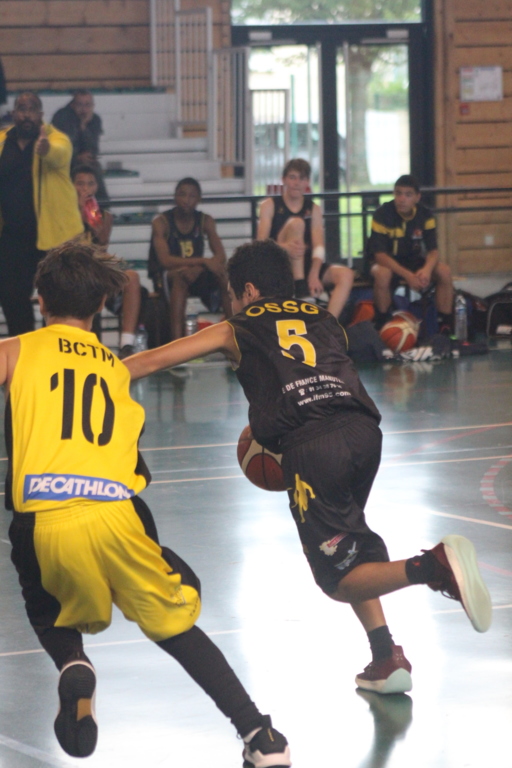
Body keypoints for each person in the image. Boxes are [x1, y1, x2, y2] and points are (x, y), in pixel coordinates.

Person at [125, 239, 492, 695]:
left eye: (233, 296)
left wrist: (94, 371)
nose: (232, 305)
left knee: (338, 579)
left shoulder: (236, 327)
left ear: (249, 291)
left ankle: (431, 566)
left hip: (313, 445)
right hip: (365, 432)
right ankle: (385, 656)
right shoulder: (323, 318)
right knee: (348, 546)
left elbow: (152, 360)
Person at [0, 241, 291, 768]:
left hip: (42, 517)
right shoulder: (115, 369)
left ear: (40, 300)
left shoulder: (15, 350)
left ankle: (73, 664)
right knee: (177, 625)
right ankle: (261, 735)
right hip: (116, 512)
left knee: (44, 604)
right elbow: (133, 464)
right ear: (101, 306)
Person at [0, 92, 83, 336]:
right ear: (14, 113)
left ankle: (59, 345)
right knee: (11, 295)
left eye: (32, 109)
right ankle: (25, 344)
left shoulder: (56, 139)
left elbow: (60, 153)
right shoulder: (3, 141)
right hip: (12, 235)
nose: (26, 114)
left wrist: (45, 149)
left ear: (41, 114)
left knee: (60, 299)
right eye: (22, 109)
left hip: (52, 237)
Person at [257, 158, 354, 319]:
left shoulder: (313, 209)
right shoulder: (269, 205)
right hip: (278, 263)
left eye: (301, 178)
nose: (297, 183)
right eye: (292, 177)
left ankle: (328, 324)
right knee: (297, 223)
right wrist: (283, 247)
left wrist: (314, 274)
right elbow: (260, 244)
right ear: (284, 179)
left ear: (307, 182)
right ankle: (300, 287)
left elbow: (319, 247)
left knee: (346, 275)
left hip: (307, 264)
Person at [367, 174, 454, 332]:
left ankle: (445, 326)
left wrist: (426, 270)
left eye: (408, 195)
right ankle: (382, 324)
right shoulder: (381, 214)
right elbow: (380, 256)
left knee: (444, 271)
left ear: (417, 197)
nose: (402, 199)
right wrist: (408, 276)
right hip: (385, 263)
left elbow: (433, 251)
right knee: (383, 273)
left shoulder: (426, 215)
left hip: (413, 261)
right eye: (398, 193)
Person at [149, 177, 231, 340]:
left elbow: (221, 256)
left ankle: (234, 332)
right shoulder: (161, 222)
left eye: (192, 196)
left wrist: (199, 268)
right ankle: (178, 342)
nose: (186, 200)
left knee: (224, 275)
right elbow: (165, 261)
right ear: (175, 196)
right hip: (167, 275)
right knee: (181, 277)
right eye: (182, 194)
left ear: (199, 199)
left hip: (196, 272)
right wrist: (201, 262)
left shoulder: (205, 220)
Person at [72, 164, 142, 358]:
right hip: (73, 271)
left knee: (132, 277)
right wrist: (78, 210)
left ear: (97, 187)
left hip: (97, 268)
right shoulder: (64, 214)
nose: (85, 188)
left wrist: (91, 220)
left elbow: (102, 244)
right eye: (80, 183)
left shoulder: (105, 215)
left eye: (90, 184)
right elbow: (67, 247)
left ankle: (126, 344)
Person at [52, 90, 108, 201]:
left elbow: (93, 149)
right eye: (80, 105)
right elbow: (61, 147)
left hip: (84, 163)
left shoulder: (95, 120)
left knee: (94, 167)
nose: (84, 109)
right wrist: (77, 157)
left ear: (93, 106)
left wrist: (84, 127)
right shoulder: (62, 117)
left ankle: (102, 205)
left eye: (87, 105)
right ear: (72, 105)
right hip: (65, 162)